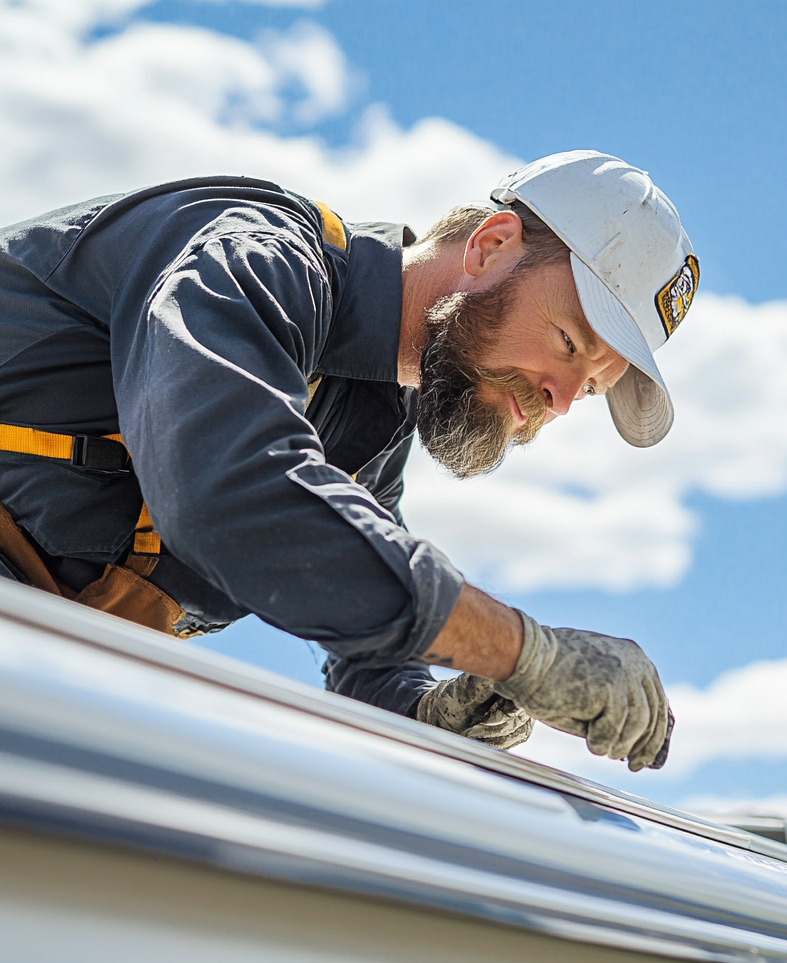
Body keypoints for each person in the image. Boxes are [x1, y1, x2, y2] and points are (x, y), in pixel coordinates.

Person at [0, 151, 699, 771]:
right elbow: (232, 499)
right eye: (570, 343)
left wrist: (429, 709)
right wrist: (521, 653)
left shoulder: (371, 424)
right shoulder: (253, 259)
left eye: (595, 386)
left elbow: (367, 642)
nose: (565, 399)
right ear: (489, 247)